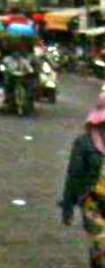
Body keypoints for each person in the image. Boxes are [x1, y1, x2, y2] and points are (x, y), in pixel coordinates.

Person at [61, 93, 105, 267]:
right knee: (100, 247)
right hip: (94, 204)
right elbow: (74, 176)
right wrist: (68, 206)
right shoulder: (84, 143)